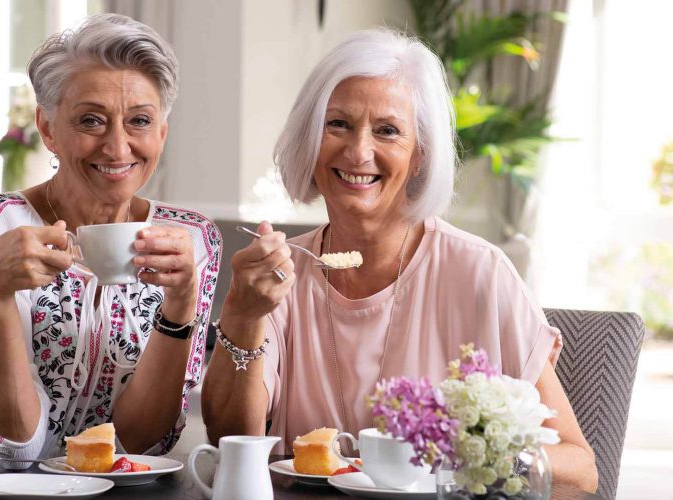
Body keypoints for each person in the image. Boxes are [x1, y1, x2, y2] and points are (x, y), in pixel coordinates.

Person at [202, 29, 598, 492]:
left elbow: (580, 468)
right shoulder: (280, 278)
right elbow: (232, 440)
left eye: (387, 130)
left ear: (419, 157)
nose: (358, 151)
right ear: (310, 140)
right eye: (337, 124)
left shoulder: (479, 274)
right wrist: (243, 315)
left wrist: (465, 453)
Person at [0, 14, 221, 472]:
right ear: (47, 128)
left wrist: (181, 303)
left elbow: (141, 444)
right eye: (91, 121)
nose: (118, 148)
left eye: (140, 121)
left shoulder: (192, 242)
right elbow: (12, 443)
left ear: (161, 132)